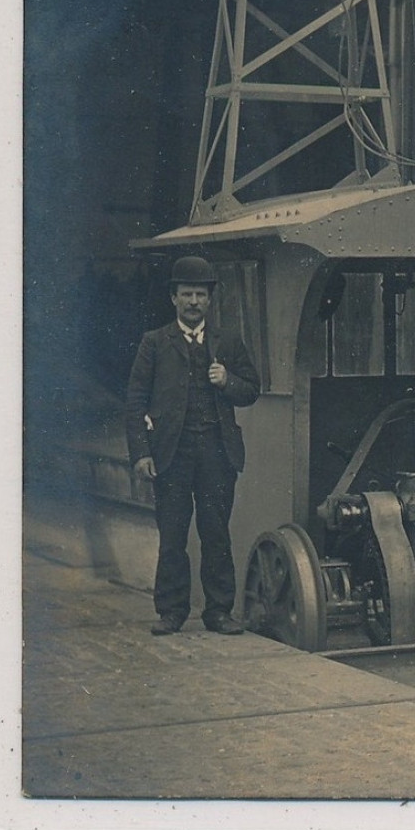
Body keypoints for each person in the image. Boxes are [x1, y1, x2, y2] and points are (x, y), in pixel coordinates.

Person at [126, 256, 261, 636]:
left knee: (216, 531)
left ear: (210, 299)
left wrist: (227, 380)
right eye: (186, 294)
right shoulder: (154, 343)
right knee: (172, 533)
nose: (193, 302)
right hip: (171, 455)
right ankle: (171, 611)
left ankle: (218, 612)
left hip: (218, 453)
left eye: (200, 294)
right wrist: (141, 453)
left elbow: (252, 389)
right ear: (174, 298)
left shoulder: (228, 342)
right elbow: (135, 401)